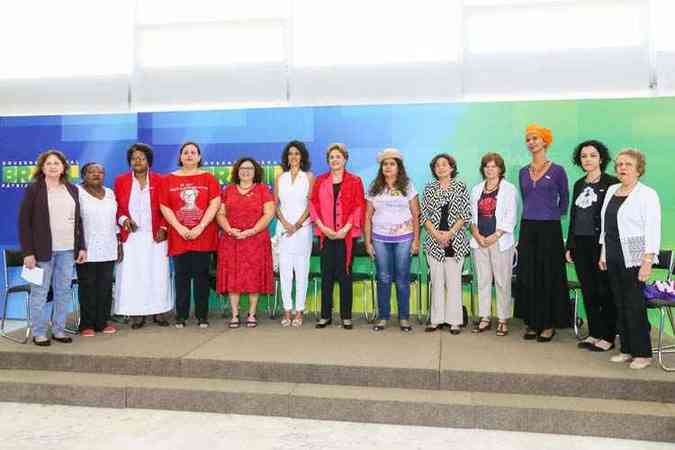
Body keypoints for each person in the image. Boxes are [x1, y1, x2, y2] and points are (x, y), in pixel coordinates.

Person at [599, 148, 660, 370]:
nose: (622, 168)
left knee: (634, 304)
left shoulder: (647, 194)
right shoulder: (612, 190)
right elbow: (606, 225)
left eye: (628, 164)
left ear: (638, 169)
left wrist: (647, 260)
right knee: (620, 303)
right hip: (613, 252)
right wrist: (604, 252)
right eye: (619, 164)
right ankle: (626, 348)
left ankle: (642, 353)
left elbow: (653, 229)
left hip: (635, 254)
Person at [18, 150, 86, 346]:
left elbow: (78, 222)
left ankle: (58, 330)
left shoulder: (72, 189)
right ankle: (39, 332)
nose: (53, 166)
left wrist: (81, 247)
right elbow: (25, 223)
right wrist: (28, 253)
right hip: (41, 252)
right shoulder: (34, 190)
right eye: (49, 163)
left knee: (63, 291)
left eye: (57, 163)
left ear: (64, 167)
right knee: (39, 292)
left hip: (67, 250)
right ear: (42, 167)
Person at [515, 124, 570, 342]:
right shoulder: (522, 172)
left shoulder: (558, 170)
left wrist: (553, 214)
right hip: (528, 227)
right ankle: (532, 321)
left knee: (548, 274)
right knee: (529, 274)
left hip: (550, 229)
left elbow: (564, 199)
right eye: (528, 139)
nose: (531, 142)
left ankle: (547, 324)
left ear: (545, 141)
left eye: (535, 138)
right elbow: (527, 198)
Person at [159, 142, 221, 328]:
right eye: (185, 152)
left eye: (193, 152)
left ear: (199, 157)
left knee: (202, 276)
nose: (189, 155)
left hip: (203, 234)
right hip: (179, 236)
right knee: (181, 277)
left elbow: (215, 203)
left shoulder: (209, 178)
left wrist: (200, 227)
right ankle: (181, 316)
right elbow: (164, 206)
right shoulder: (168, 179)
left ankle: (202, 316)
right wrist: (179, 228)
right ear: (180, 157)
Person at [565, 140, 618, 352]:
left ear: (601, 159)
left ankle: (608, 336)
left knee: (605, 291)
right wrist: (570, 245)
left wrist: (606, 248)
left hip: (601, 245)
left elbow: (613, 218)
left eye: (592, 155)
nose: (588, 159)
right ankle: (594, 333)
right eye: (584, 156)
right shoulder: (579, 184)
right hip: (580, 244)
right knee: (588, 291)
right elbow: (574, 215)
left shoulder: (612, 183)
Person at [113, 143, 173, 329]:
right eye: (134, 158)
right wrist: (124, 220)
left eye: (141, 158)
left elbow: (168, 207)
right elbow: (116, 208)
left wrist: (164, 227)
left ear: (149, 161)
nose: (137, 161)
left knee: (158, 274)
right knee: (133, 276)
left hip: (156, 236)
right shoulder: (121, 180)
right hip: (131, 237)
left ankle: (159, 311)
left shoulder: (160, 180)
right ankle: (136, 313)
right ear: (129, 162)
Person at [310, 143, 365, 330]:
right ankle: (325, 315)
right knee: (326, 275)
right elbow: (313, 205)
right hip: (325, 235)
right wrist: (322, 227)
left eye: (338, 157)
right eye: (332, 157)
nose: (335, 160)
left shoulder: (355, 181)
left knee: (345, 275)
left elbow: (359, 205)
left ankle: (346, 316)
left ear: (345, 159)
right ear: (328, 160)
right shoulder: (320, 180)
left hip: (346, 236)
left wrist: (346, 228)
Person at [364, 148, 419, 332]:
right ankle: (383, 317)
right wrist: (368, 242)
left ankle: (404, 318)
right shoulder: (374, 186)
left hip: (404, 238)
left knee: (402, 278)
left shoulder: (408, 185)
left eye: (392, 164)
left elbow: (415, 214)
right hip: (380, 239)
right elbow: (367, 216)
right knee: (384, 278)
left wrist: (416, 241)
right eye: (385, 164)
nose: (388, 167)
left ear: (398, 167)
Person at [217, 157, 275, 329]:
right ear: (237, 171)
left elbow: (269, 214)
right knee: (233, 278)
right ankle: (235, 315)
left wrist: (253, 230)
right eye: (242, 168)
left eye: (249, 168)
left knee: (253, 278)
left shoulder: (263, 190)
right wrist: (228, 229)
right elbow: (220, 214)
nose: (246, 171)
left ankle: (251, 313)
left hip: (255, 240)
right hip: (231, 239)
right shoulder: (228, 190)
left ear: (255, 171)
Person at [420, 153, 471, 335]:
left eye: (444, 164)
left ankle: (455, 321)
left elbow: (465, 214)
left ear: (451, 167)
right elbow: (424, 215)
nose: (441, 167)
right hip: (434, 242)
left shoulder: (461, 187)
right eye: (437, 165)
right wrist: (436, 235)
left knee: (454, 283)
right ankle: (436, 320)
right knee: (437, 281)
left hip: (455, 241)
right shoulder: (429, 188)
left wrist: (449, 233)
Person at [469, 153, 518, 337]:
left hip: (500, 242)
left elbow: (511, 217)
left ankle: (503, 319)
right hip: (479, 241)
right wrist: (477, 234)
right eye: (486, 166)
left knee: (502, 281)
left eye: (493, 166)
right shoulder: (476, 189)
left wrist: (495, 235)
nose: (490, 169)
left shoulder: (509, 189)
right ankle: (484, 317)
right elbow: (471, 217)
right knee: (482, 281)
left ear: (500, 169)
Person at [274, 141, 314, 327]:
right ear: (286, 157)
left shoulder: (309, 177)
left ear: (302, 156)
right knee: (285, 272)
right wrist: (284, 223)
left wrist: (297, 225)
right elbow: (275, 205)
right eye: (290, 154)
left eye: (297, 153)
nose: (293, 157)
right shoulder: (280, 178)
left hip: (303, 230)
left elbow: (310, 205)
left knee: (301, 270)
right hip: (283, 230)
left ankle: (299, 311)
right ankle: (287, 311)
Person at [76, 162, 118, 337]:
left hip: (108, 247)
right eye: (91, 172)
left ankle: (102, 322)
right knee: (88, 287)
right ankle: (87, 324)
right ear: (83, 175)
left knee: (105, 287)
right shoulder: (77, 193)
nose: (96, 174)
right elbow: (75, 221)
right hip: (87, 249)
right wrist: (79, 246)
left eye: (100, 172)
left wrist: (119, 243)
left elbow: (113, 219)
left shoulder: (110, 193)